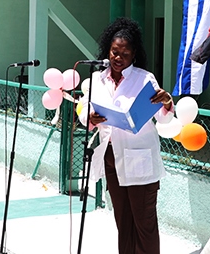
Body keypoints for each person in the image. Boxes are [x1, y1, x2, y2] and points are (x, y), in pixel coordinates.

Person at [84, 17, 174, 254]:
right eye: (114, 51)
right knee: (123, 222)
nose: (118, 57)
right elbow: (85, 110)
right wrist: (90, 118)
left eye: (124, 53)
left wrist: (166, 103)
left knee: (144, 223)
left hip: (139, 157)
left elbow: (163, 119)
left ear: (134, 55)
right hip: (111, 157)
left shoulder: (145, 79)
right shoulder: (97, 79)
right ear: (108, 50)